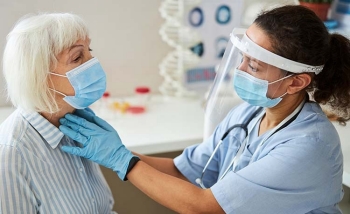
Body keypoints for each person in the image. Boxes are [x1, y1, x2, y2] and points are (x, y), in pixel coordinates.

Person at [59, 5, 350, 213]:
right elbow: (183, 170)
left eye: (254, 66)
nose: (240, 69)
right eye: (243, 58)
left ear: (296, 82)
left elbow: (205, 206)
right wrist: (113, 150)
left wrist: (121, 160)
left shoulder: (309, 147)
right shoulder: (247, 116)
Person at [0, 13, 115, 213]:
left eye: (89, 50)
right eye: (78, 57)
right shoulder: (12, 153)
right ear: (39, 75)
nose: (92, 62)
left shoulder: (77, 121)